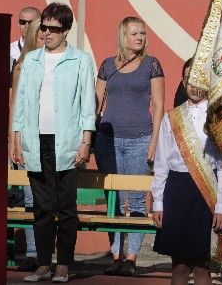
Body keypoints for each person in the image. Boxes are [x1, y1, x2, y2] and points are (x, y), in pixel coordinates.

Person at [11, 2, 96, 282]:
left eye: (53, 29)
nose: (47, 33)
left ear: (66, 30)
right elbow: (21, 103)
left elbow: (87, 104)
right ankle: (43, 264)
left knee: (66, 208)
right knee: (42, 208)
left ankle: (64, 264)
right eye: (44, 27)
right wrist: (16, 139)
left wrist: (85, 141)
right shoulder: (32, 60)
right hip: (36, 142)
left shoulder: (80, 61)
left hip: (67, 143)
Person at [152, 58, 222, 285]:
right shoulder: (171, 118)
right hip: (177, 190)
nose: (194, 84)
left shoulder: (218, 117)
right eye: (189, 79)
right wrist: (158, 202)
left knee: (202, 264)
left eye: (198, 78)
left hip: (206, 192)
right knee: (179, 264)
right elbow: (162, 162)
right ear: (183, 81)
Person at [95, 16, 165, 276]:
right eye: (134, 33)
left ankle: (131, 259)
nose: (140, 38)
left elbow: (158, 105)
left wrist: (155, 141)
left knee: (136, 199)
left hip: (140, 138)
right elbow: (96, 103)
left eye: (143, 33)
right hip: (107, 140)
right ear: (123, 36)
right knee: (112, 198)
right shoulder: (107, 65)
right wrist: (88, 138)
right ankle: (116, 256)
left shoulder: (151, 64)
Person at [8, 18, 44, 272]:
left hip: (53, 140)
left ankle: (47, 254)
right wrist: (13, 138)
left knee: (48, 200)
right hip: (28, 139)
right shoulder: (21, 66)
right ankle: (33, 253)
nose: (45, 40)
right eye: (40, 37)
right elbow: (15, 105)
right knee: (30, 198)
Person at [10, 6, 40, 75]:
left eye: (31, 22)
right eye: (22, 22)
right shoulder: (9, 50)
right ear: (18, 24)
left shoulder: (47, 50)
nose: (26, 26)